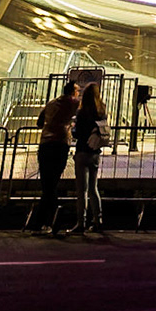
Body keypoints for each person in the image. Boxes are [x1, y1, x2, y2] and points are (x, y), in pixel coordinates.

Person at [29, 80, 78, 234]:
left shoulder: (50, 104)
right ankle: (51, 220)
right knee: (53, 183)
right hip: (60, 143)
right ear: (73, 92)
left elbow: (39, 123)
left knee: (47, 184)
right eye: (77, 90)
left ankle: (41, 222)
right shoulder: (73, 103)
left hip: (45, 144)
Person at [69, 81, 108, 235]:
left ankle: (81, 223)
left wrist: (73, 130)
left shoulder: (82, 111)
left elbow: (77, 133)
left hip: (82, 151)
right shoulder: (101, 110)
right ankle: (98, 220)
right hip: (95, 152)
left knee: (81, 191)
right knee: (94, 188)